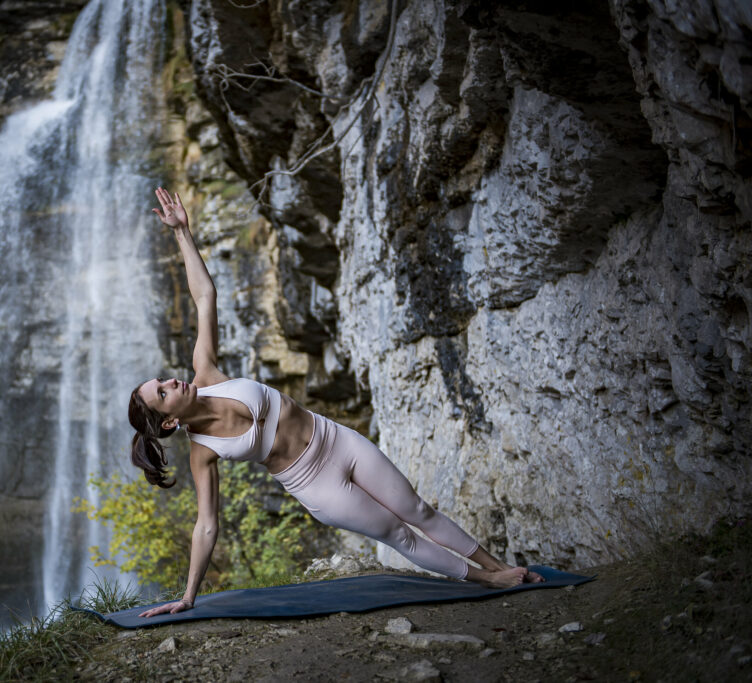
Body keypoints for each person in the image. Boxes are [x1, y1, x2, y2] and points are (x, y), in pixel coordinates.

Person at [130, 188, 542, 617]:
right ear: (169, 423)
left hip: (333, 438)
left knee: (417, 509)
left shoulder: (207, 373)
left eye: (162, 379)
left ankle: (499, 565)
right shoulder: (203, 453)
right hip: (315, 483)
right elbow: (207, 525)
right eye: (163, 393)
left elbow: (204, 297)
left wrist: (183, 234)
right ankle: (486, 580)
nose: (171, 381)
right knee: (398, 534)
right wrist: (189, 596)